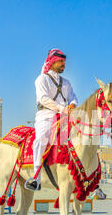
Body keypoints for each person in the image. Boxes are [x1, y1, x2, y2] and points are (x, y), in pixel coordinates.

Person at [25, 48, 78, 191]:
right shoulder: (42, 79)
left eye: (64, 62)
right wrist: (62, 108)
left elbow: (73, 97)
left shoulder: (66, 82)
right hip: (46, 115)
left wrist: (73, 104)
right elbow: (43, 99)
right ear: (53, 62)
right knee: (41, 138)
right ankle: (36, 177)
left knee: (84, 135)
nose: (63, 65)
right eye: (61, 61)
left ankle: (88, 177)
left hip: (66, 115)